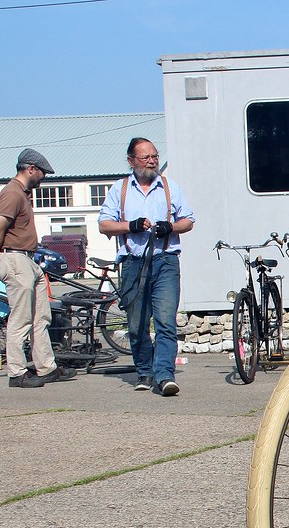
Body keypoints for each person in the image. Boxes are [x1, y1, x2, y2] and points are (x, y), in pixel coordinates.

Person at [98, 138, 195, 396]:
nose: (152, 161)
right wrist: (129, 226)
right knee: (137, 324)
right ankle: (144, 371)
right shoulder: (119, 189)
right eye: (145, 157)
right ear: (131, 161)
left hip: (165, 262)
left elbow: (188, 220)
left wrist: (170, 227)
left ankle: (164, 375)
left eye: (155, 156)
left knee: (165, 321)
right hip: (133, 263)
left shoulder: (169, 187)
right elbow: (104, 225)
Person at [0, 148, 77, 388]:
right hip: (14, 259)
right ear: (31, 169)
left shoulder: (22, 194)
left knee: (40, 317)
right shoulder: (11, 193)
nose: (43, 178)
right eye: (43, 173)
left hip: (28, 260)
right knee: (21, 319)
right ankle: (17, 373)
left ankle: (46, 368)